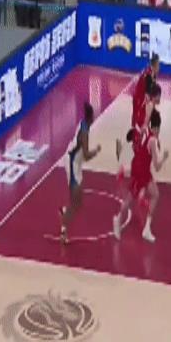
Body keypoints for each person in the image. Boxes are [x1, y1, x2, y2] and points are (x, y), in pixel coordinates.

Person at [113, 109, 169, 243]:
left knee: (140, 196)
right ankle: (123, 221)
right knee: (152, 195)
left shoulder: (145, 130)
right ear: (158, 127)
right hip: (142, 171)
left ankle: (140, 225)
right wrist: (164, 157)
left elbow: (144, 123)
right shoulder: (153, 140)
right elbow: (157, 166)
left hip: (138, 166)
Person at [60, 102, 101, 244]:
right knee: (75, 203)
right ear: (91, 117)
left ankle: (65, 212)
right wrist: (96, 151)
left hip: (77, 163)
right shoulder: (84, 132)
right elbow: (87, 155)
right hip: (72, 163)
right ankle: (63, 230)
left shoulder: (84, 124)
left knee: (78, 202)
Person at [116, 54, 160, 160]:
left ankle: (150, 143)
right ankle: (125, 146)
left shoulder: (152, 74)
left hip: (142, 101)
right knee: (139, 127)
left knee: (151, 120)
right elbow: (148, 96)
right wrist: (150, 107)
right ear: (155, 65)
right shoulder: (148, 76)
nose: (159, 67)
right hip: (139, 102)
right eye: (158, 65)